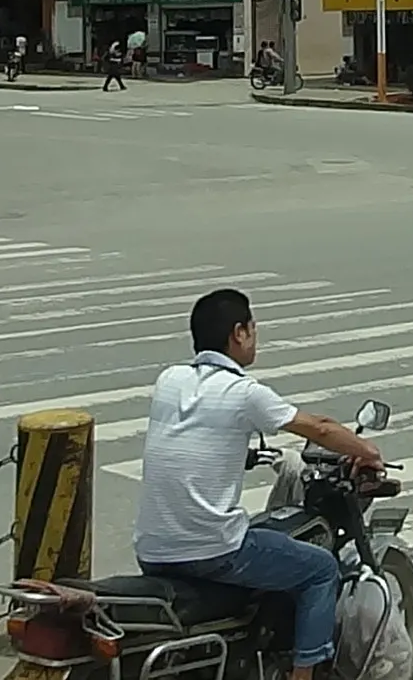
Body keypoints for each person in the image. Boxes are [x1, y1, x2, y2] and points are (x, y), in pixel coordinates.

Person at [135, 290, 382, 680]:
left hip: (151, 550)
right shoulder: (243, 392)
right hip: (214, 551)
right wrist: (367, 451)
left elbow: (197, 432)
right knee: (319, 568)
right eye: (252, 328)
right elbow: (318, 428)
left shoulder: (170, 380)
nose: (255, 335)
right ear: (239, 334)